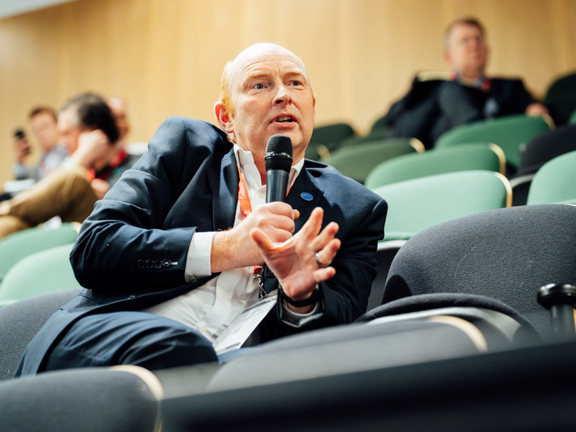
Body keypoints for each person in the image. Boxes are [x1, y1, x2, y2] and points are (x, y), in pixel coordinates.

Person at [16, 43, 388, 376]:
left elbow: (340, 321)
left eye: (296, 84)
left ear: (311, 106)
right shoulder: (188, 150)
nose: (282, 96)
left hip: (234, 369)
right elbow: (95, 247)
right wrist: (228, 248)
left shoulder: (355, 207)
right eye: (260, 85)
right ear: (226, 118)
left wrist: (300, 299)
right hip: (106, 344)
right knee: (183, 349)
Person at [384, 17, 549, 149]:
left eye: (478, 39)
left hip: (503, 155)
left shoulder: (511, 88)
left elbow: (544, 119)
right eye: (465, 41)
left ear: (487, 49)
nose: (474, 46)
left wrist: (535, 109)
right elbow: (397, 124)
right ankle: (475, 133)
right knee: (447, 89)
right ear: (449, 56)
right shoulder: (432, 88)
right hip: (442, 156)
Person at [0, 93, 140, 240]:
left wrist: (80, 158)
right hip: (71, 237)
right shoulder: (86, 169)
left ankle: (5, 209)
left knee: (75, 180)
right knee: (11, 224)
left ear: (92, 132)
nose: (62, 143)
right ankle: (6, 213)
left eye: (66, 134)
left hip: (112, 236)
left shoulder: (135, 164)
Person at [13, 107, 68, 182]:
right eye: (36, 130)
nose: (40, 134)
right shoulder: (44, 157)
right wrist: (20, 160)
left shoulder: (68, 150)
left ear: (58, 125)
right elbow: (25, 180)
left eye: (44, 127)